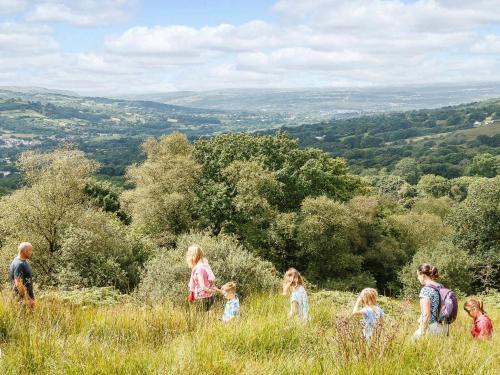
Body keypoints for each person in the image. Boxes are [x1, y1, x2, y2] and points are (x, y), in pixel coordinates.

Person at [413, 263, 448, 339]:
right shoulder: (440, 286)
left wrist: (422, 332)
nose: (418, 278)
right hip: (444, 327)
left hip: (431, 327)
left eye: (418, 275)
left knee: (412, 343)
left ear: (423, 275)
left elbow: (426, 314)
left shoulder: (426, 290)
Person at [186, 244, 216, 311]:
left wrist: (211, 291)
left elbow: (202, 286)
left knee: (200, 319)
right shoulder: (204, 266)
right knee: (206, 319)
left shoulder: (199, 269)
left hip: (202, 298)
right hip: (209, 297)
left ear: (193, 256)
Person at [9, 242, 35, 308]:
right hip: (21, 301)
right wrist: (28, 299)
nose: (31, 252)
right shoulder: (18, 264)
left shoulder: (24, 262)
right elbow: (18, 284)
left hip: (26, 299)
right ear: (25, 251)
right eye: (30, 250)